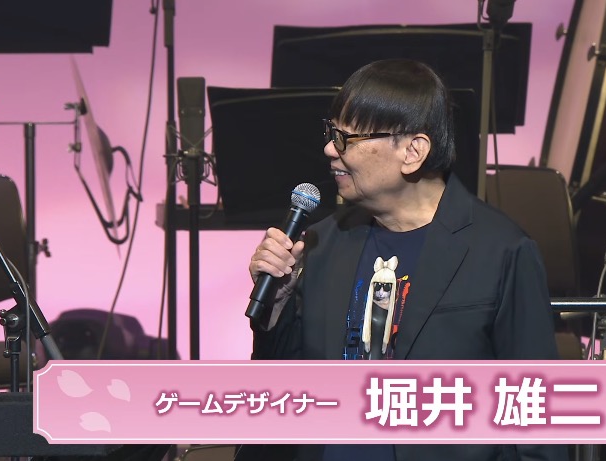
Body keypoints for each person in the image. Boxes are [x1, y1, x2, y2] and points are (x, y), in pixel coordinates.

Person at [243, 59, 567, 461]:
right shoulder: (323, 242)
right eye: (331, 132)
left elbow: (537, 420)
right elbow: (283, 393)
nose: (329, 149)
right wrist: (275, 308)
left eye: (347, 138)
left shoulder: (501, 250)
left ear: (413, 151)